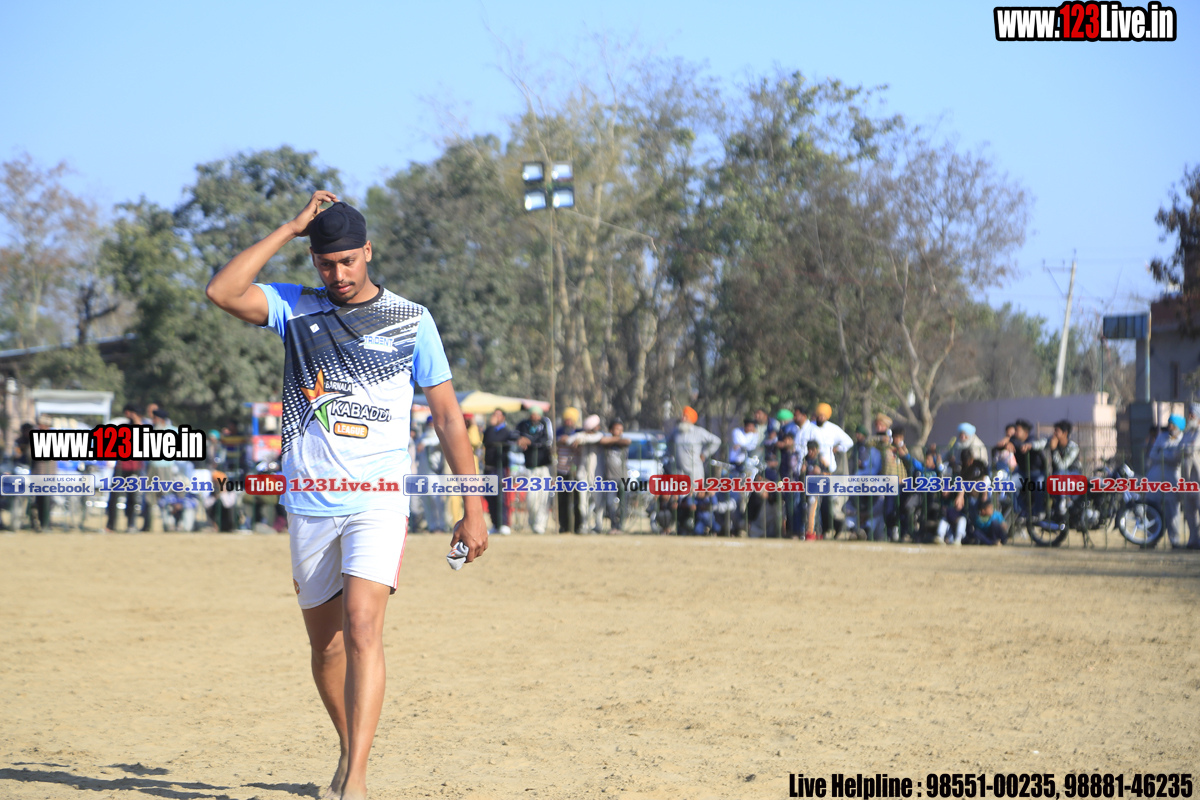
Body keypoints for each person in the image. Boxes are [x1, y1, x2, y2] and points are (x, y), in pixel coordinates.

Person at [205, 190, 487, 800]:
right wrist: (290, 227)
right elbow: (222, 291)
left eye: (348, 261)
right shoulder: (294, 307)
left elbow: (447, 417)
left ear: (368, 252)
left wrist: (474, 505)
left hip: (378, 500)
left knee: (362, 629)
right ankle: (347, 745)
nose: (338, 274)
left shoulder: (412, 319)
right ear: (314, 261)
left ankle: (355, 781)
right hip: (308, 504)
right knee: (327, 648)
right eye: (326, 263)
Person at [796, 403, 852, 538]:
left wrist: (837, 449)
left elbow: (848, 442)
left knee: (826, 504)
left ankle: (829, 528)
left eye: (823, 415)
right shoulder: (809, 427)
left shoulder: (833, 428)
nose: (820, 417)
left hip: (826, 471)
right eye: (819, 415)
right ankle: (813, 531)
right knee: (811, 503)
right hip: (811, 471)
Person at [1147, 414, 1186, 549]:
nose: (1170, 427)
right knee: (1151, 508)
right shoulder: (1161, 437)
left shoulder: (1183, 440)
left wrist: (1162, 454)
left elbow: (1177, 459)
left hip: (1172, 479)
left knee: (1172, 511)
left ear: (1179, 427)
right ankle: (1152, 539)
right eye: (1169, 424)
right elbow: (1153, 454)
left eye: (1173, 425)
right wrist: (1168, 455)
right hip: (1155, 477)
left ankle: (1174, 540)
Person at [105, 404, 145, 533]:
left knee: (132, 497)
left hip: (135, 467)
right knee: (114, 496)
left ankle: (131, 524)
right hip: (121, 466)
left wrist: (137, 421)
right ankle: (111, 525)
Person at [515, 407, 553, 534]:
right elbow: (514, 435)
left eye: (537, 415)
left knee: (543, 498)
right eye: (533, 414)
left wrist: (530, 441)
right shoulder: (523, 425)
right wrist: (520, 440)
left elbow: (547, 439)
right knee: (531, 499)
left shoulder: (545, 423)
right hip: (529, 467)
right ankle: (532, 522)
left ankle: (540, 524)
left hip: (543, 466)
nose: (535, 417)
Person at [482, 408, 517, 535]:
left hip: (500, 468)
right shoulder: (489, 429)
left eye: (498, 415)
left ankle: (504, 523)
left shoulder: (506, 431)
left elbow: (493, 440)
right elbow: (486, 440)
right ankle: (495, 523)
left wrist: (491, 427)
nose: (495, 417)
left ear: (503, 417)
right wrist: (491, 426)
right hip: (489, 468)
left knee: (501, 497)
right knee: (490, 496)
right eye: (494, 414)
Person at [415, 417, 446, 534]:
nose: (431, 425)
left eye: (432, 423)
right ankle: (432, 526)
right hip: (423, 474)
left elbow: (438, 441)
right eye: (429, 423)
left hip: (434, 474)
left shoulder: (437, 437)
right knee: (426, 501)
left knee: (437, 501)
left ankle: (441, 525)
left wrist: (425, 443)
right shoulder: (423, 436)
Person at [601, 419, 631, 533]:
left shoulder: (623, 442)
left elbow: (627, 441)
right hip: (610, 478)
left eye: (621, 430)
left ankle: (620, 526)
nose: (619, 432)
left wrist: (614, 439)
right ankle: (613, 526)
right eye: (617, 429)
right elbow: (603, 441)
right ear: (611, 430)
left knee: (623, 504)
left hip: (623, 478)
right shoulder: (607, 443)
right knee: (609, 503)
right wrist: (614, 439)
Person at [556, 407, 582, 533]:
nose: (568, 422)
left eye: (570, 420)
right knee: (562, 500)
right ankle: (564, 525)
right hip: (561, 471)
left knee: (576, 500)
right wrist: (559, 442)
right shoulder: (558, 431)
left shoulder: (579, 432)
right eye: (566, 420)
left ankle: (577, 526)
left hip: (575, 471)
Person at [799, 439, 830, 539]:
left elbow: (829, 474)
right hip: (806, 489)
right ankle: (809, 531)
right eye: (809, 449)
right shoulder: (805, 459)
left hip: (817, 489)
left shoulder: (821, 460)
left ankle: (812, 532)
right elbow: (801, 476)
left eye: (812, 449)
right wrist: (802, 471)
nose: (810, 452)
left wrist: (820, 472)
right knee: (806, 510)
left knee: (813, 510)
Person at [1180, 402, 1200, 549]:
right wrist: (1185, 448)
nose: (1189, 417)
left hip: (1198, 479)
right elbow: (1179, 450)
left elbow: (1190, 449)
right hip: (1187, 481)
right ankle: (1193, 540)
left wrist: (1185, 448)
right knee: (1189, 512)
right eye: (1189, 414)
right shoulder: (1187, 434)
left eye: (1192, 415)